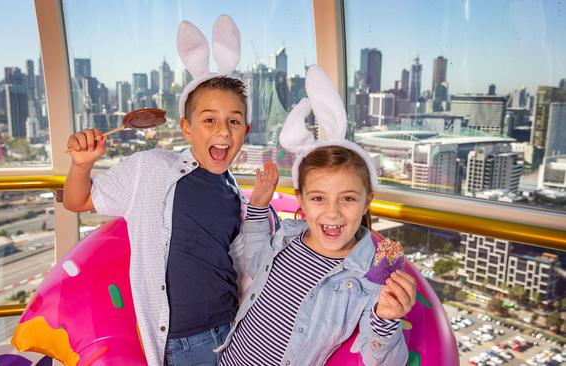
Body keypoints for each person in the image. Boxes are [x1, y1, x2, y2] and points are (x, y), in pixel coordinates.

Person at [63, 15, 260, 366]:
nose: (223, 131)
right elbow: (77, 200)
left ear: (245, 129)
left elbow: (241, 263)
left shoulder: (234, 195)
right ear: (186, 128)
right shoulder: (151, 169)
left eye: (233, 121)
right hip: (184, 344)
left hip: (233, 331)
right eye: (209, 119)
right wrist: (82, 164)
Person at [217, 65, 415, 366]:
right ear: (302, 202)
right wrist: (257, 208)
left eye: (347, 198)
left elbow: (384, 360)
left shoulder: (370, 274)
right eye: (318, 199)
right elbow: (255, 264)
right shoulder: (286, 237)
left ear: (366, 203)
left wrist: (386, 320)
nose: (332, 212)